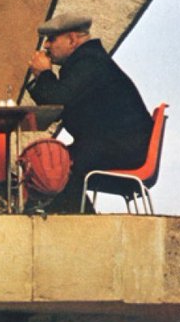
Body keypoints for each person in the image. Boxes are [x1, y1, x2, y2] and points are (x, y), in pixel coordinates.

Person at [27, 12, 153, 213]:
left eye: (52, 39)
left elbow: (56, 100)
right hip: (115, 144)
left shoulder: (89, 61)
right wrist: (42, 77)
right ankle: (75, 217)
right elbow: (57, 104)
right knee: (52, 161)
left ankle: (77, 220)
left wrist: (43, 74)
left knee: (54, 163)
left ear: (71, 40)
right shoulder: (87, 60)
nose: (46, 46)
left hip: (123, 148)